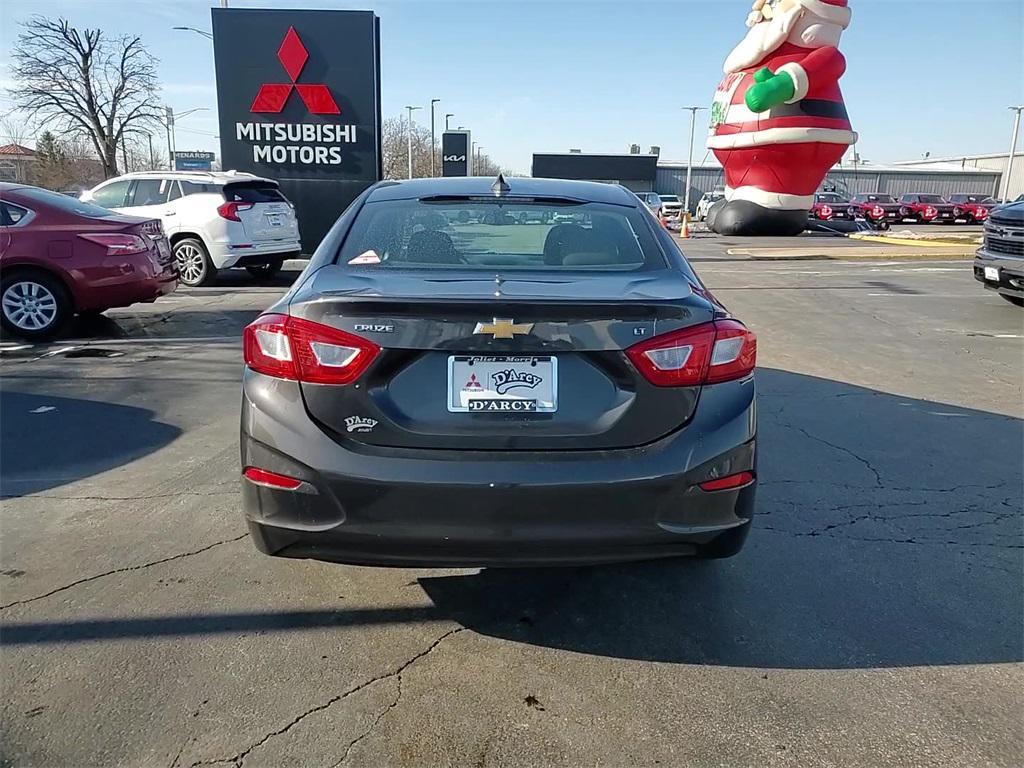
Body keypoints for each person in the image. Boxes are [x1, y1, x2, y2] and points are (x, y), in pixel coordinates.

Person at [707, 0, 856, 236]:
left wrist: (783, 84)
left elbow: (830, 63)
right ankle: (739, 196)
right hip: (745, 150)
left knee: (744, 214)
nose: (766, 11)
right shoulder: (755, 53)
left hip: (789, 142)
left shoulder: (820, 53)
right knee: (732, 214)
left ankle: (779, 209)